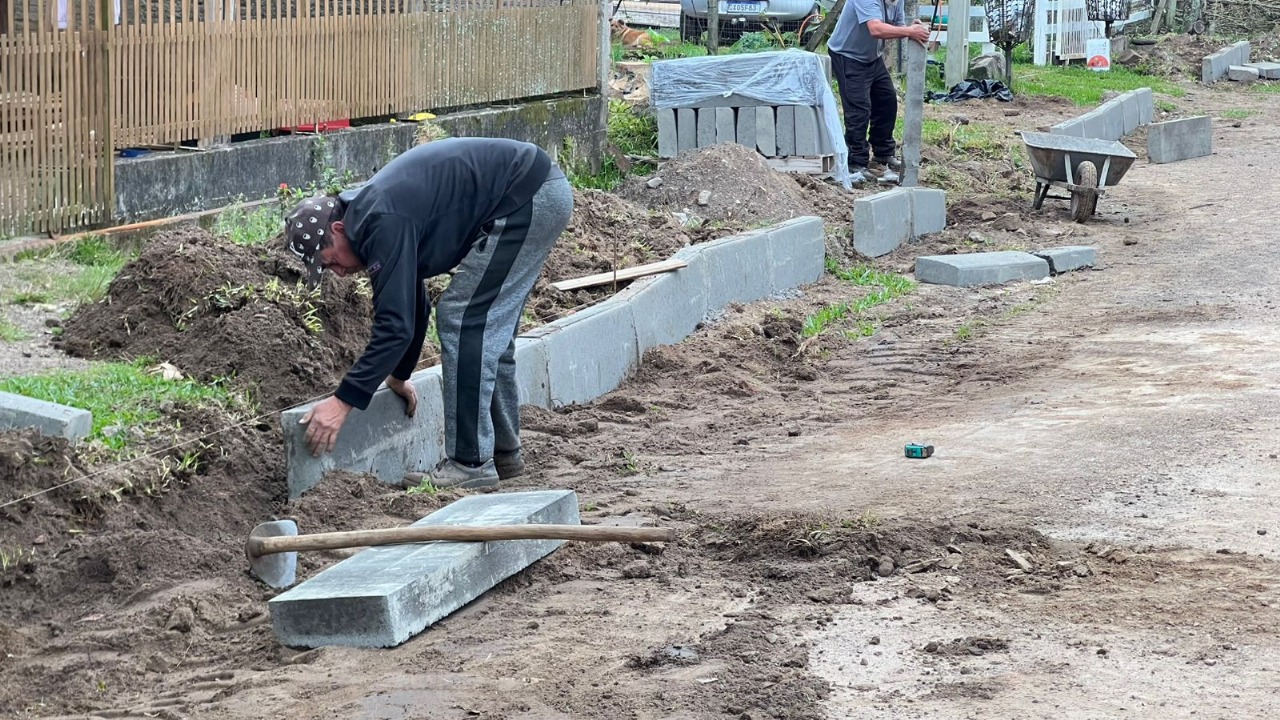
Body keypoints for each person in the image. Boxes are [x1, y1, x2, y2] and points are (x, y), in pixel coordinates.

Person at [284, 137, 574, 490]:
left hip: (526, 195)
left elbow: (395, 327)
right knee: (487, 329)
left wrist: (342, 403)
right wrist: (399, 375)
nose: (340, 273)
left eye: (331, 262)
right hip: (535, 190)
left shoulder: (380, 220)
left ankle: (470, 463)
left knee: (464, 318)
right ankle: (503, 452)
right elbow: (411, 303)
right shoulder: (373, 218)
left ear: (338, 230)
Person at [827, 0, 930, 184]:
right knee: (859, 109)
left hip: (872, 58)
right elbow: (876, 29)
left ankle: (883, 153)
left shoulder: (896, 1)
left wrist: (910, 28)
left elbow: (896, 26)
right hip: (848, 55)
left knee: (887, 102)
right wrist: (909, 32)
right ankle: (856, 162)